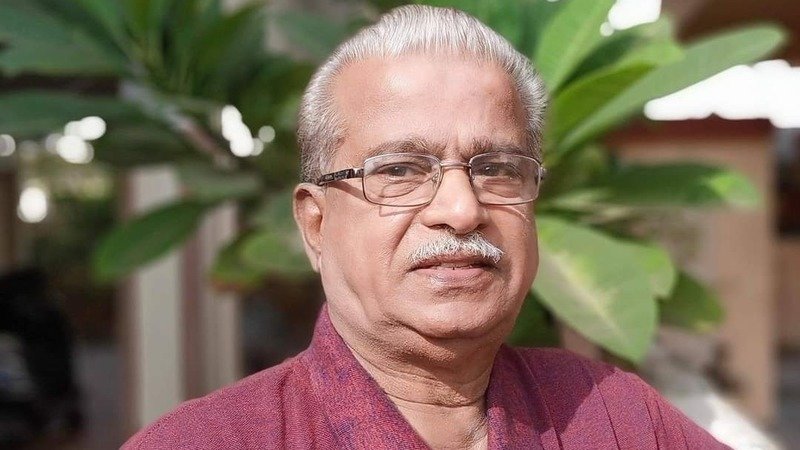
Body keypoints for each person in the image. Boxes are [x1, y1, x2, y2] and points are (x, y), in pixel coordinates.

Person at [123, 5, 729, 449]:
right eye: (400, 171)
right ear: (315, 224)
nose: (461, 210)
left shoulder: (616, 418)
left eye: (497, 169)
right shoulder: (208, 441)